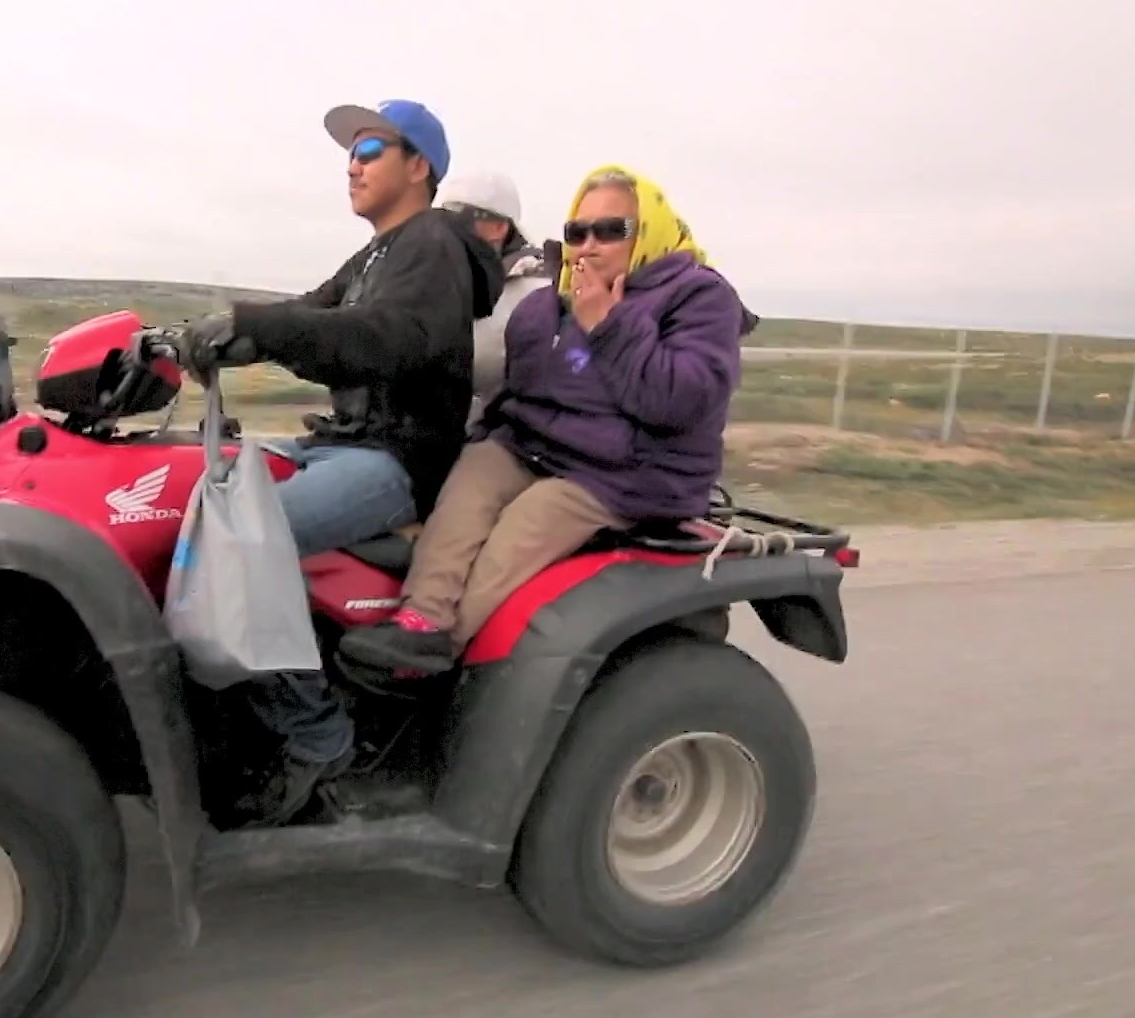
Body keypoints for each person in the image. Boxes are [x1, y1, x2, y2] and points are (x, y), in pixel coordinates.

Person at [181, 99, 503, 824]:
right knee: (193, 487)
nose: (352, 164)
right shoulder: (378, 253)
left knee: (240, 537)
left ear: (418, 166)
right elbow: (317, 313)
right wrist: (220, 338)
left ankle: (317, 733)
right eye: (350, 152)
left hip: (397, 459)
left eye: (370, 149)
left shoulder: (434, 245)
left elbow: (386, 336)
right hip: (343, 442)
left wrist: (258, 327)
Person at [339, 164, 757, 675]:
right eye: (578, 232)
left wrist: (607, 324)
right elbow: (523, 392)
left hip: (626, 472)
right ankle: (422, 621)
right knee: (470, 482)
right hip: (536, 447)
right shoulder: (546, 304)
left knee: (523, 525)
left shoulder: (698, 298)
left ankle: (441, 656)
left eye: (610, 230)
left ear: (648, 229)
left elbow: (677, 402)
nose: (589, 246)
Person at [436, 171, 555, 427]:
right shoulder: (448, 279)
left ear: (499, 227)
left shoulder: (536, 293)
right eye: (441, 218)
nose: (444, 229)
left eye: (459, 218)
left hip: (507, 433)